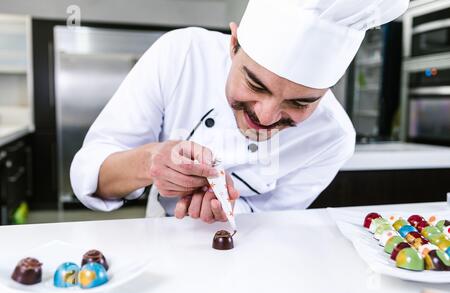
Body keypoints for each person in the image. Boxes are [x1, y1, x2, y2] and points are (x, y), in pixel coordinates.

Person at [71, 0, 410, 223]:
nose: (265, 117)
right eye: (255, 85)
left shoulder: (331, 139)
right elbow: (88, 173)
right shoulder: (182, 54)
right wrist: (149, 162)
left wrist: (228, 210)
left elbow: (272, 226)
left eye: (300, 102)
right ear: (233, 44)